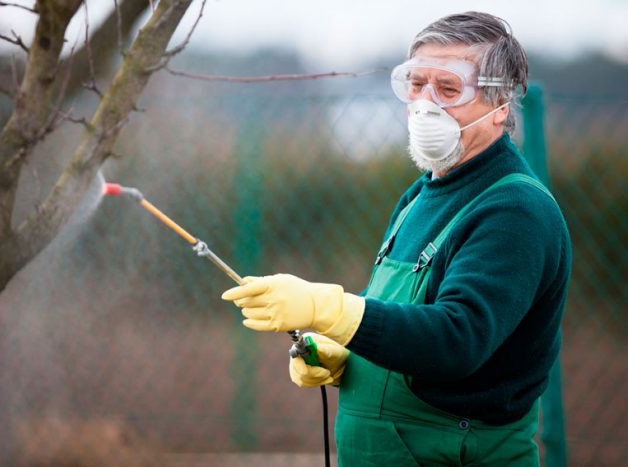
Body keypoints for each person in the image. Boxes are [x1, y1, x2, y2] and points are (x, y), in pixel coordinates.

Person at [222, 11, 572, 466]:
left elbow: (456, 339)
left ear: (500, 105)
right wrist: (346, 352)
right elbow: (397, 313)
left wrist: (329, 309)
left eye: (448, 89)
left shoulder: (515, 212)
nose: (426, 104)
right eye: (415, 84)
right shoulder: (422, 193)